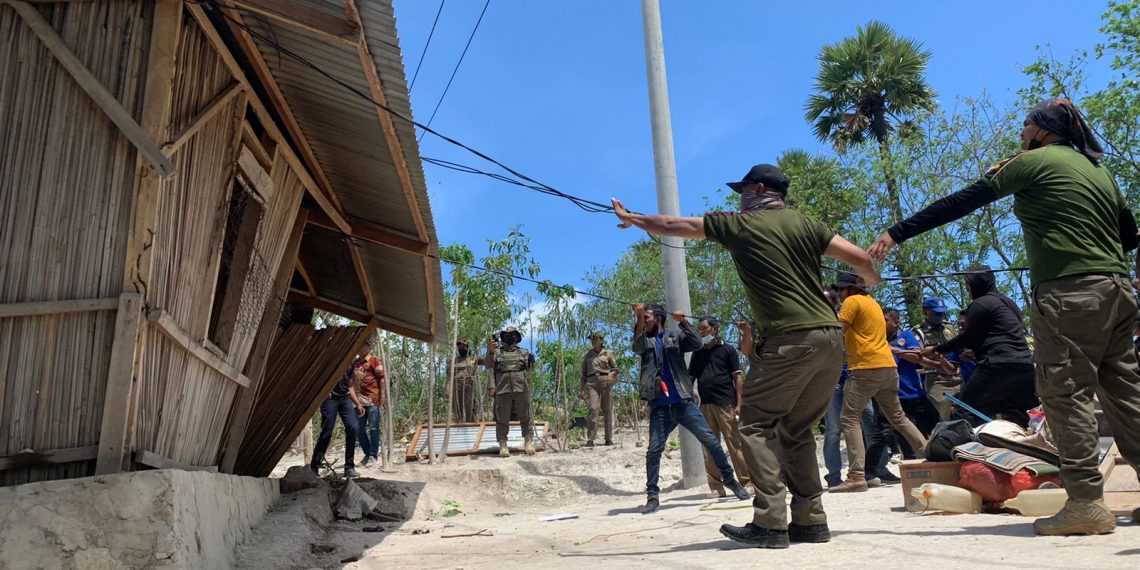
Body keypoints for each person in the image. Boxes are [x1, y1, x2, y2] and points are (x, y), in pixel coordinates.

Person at [869, 98, 1140, 535]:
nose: (1020, 134)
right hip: (1117, 289)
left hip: (1068, 293)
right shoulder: (1098, 170)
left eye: (1025, 126)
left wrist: (896, 232)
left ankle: (1086, 503)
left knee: (1065, 393)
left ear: (1042, 130)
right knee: (1126, 395)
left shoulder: (1030, 162)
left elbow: (963, 201)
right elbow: (1128, 235)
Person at [613, 162, 880, 548]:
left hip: (790, 339)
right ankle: (810, 520)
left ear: (758, 189)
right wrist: (870, 279)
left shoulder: (740, 225)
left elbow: (675, 225)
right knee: (796, 430)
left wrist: (633, 218)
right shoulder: (808, 224)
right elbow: (862, 261)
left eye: (743, 191)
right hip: (830, 341)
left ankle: (770, 523)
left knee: (754, 425)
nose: (739, 198)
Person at [629, 303, 750, 514]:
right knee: (654, 450)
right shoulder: (645, 341)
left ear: (658, 318)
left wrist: (683, 321)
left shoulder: (674, 337)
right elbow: (636, 347)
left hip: (683, 401)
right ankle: (652, 496)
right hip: (659, 405)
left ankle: (730, 480)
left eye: (647, 317)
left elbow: (696, 343)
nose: (645, 320)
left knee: (710, 441)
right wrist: (638, 317)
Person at [828, 272, 928, 494]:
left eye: (841, 289)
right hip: (888, 367)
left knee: (849, 418)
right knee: (898, 417)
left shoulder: (852, 302)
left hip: (865, 368)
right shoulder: (873, 304)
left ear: (850, 289)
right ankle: (928, 455)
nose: (839, 294)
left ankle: (856, 476)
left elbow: (837, 332)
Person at [922, 266, 1038, 427]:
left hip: (996, 366)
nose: (967, 289)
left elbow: (967, 338)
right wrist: (976, 352)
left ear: (977, 284)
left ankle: (963, 443)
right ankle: (1035, 441)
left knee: (965, 410)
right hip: (1024, 366)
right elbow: (1006, 336)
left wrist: (936, 350)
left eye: (968, 285)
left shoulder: (980, 304)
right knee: (1022, 414)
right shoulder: (1009, 303)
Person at [820, 287, 876, 489]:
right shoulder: (816, 325)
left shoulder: (849, 318)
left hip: (856, 377)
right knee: (834, 429)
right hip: (831, 382)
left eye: (827, 301)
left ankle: (873, 470)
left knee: (869, 422)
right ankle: (834, 475)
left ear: (835, 303)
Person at [690, 317, 752, 498]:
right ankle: (716, 487)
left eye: (704, 328)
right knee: (709, 446)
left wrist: (739, 403)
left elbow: (737, 378)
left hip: (726, 403)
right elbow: (690, 377)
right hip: (705, 404)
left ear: (714, 329)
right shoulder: (698, 352)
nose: (701, 332)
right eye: (700, 329)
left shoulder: (727, 350)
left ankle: (747, 482)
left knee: (734, 443)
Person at [310, 343, 370, 478]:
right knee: (327, 431)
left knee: (353, 427)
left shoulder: (351, 364)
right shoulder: (330, 361)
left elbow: (350, 386)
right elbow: (318, 377)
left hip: (345, 398)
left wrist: (357, 403)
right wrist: (324, 392)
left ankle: (349, 467)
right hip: (330, 398)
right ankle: (314, 466)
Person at [886, 309, 942, 439]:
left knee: (937, 430)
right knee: (903, 437)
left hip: (912, 393)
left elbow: (917, 357)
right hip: (890, 397)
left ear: (896, 322)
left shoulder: (905, 335)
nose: (880, 323)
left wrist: (894, 350)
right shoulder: (876, 339)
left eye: (885, 320)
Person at [486, 327, 536, 458]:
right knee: (502, 418)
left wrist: (532, 362)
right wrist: (490, 352)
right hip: (502, 389)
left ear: (516, 337)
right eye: (506, 334)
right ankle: (503, 444)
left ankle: (528, 442)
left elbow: (530, 370)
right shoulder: (496, 352)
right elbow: (489, 367)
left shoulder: (523, 352)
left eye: (511, 334)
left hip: (521, 388)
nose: (509, 336)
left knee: (525, 416)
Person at [914, 297, 959, 420]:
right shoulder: (918, 332)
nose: (940, 316)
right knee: (942, 409)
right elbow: (919, 358)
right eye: (936, 313)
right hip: (936, 379)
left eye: (942, 313)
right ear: (926, 312)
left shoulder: (949, 328)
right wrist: (938, 364)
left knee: (971, 406)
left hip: (957, 376)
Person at [580, 332, 619, 447]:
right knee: (593, 408)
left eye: (595, 339)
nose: (593, 341)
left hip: (606, 381)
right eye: (592, 339)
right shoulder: (588, 355)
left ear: (601, 341)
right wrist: (581, 389)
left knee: (607, 409)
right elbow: (583, 374)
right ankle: (591, 439)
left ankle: (608, 439)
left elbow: (616, 369)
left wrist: (612, 374)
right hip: (592, 382)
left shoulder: (608, 353)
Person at [354, 346, 386, 468]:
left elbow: (382, 378)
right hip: (359, 401)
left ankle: (373, 455)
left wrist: (383, 396)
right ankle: (367, 454)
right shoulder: (356, 362)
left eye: (363, 345)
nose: (360, 347)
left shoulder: (374, 360)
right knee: (358, 429)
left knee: (374, 428)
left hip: (373, 400)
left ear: (368, 347)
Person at [448, 340, 482, 423]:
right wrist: (447, 388)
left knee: (470, 408)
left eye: (463, 346)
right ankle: (458, 425)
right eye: (459, 346)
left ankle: (472, 426)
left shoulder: (473, 359)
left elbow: (488, 362)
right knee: (456, 408)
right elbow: (448, 375)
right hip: (456, 386)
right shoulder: (453, 361)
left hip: (469, 386)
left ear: (467, 347)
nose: (461, 347)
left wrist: (490, 352)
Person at [954, 311, 978, 384]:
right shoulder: (957, 345)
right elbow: (952, 369)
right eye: (958, 324)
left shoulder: (990, 340)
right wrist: (941, 359)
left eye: (963, 324)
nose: (960, 327)